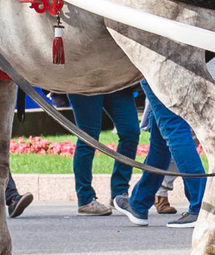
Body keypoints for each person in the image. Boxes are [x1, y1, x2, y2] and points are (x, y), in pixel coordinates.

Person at [125, 82, 205, 227]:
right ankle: (139, 203)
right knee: (160, 137)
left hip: (161, 67)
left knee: (174, 127)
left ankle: (201, 207)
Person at [72, 86, 141, 216]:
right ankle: (85, 199)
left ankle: (119, 193)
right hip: (84, 80)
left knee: (131, 132)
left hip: (115, 80)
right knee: (88, 137)